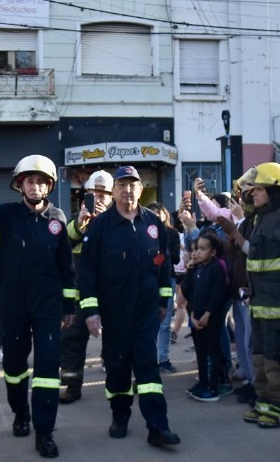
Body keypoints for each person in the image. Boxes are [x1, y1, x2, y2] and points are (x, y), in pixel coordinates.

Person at [0, 154, 76, 459]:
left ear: (49, 186)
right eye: (30, 180)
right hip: (13, 306)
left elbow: (67, 266)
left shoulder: (58, 219)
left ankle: (45, 433)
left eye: (41, 181)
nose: (35, 186)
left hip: (47, 307)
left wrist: (69, 305)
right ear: (20, 185)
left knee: (46, 371)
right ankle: (21, 414)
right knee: (15, 369)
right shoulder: (6, 214)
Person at [78, 165, 182, 448]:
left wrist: (163, 302)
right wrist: (91, 311)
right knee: (118, 368)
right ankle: (120, 415)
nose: (127, 190)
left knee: (148, 368)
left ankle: (158, 426)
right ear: (113, 191)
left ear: (140, 188)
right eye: (121, 185)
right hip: (114, 313)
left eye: (132, 185)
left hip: (146, 312)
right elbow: (86, 272)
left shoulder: (153, 223)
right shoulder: (100, 227)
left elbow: (163, 266)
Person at [221, 162, 280, 429]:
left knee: (278, 358)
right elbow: (253, 252)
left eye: (258, 189)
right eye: (251, 190)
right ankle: (265, 401)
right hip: (260, 302)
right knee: (261, 356)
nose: (252, 194)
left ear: (275, 191)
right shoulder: (262, 218)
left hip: (278, 302)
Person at [58, 169, 113, 403]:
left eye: (102, 194)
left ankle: (117, 384)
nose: (98, 199)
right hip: (81, 295)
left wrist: (102, 224)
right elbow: (63, 246)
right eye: (93, 194)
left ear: (111, 197)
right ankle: (72, 385)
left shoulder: (117, 221)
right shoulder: (75, 220)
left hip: (111, 296)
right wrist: (80, 226)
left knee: (116, 342)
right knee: (71, 340)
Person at [183, 230, 231, 402]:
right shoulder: (197, 269)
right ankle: (202, 383)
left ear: (213, 252)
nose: (197, 253)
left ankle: (213, 386)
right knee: (200, 352)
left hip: (211, 317)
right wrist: (194, 315)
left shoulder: (216, 268)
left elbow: (217, 294)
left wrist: (208, 314)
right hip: (197, 317)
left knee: (213, 351)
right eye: (196, 249)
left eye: (202, 249)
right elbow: (189, 292)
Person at [148, 202, 183, 374]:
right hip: (148, 281)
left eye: (158, 211)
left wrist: (161, 257)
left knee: (165, 322)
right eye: (151, 211)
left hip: (167, 279)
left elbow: (175, 259)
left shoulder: (172, 233)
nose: (155, 214)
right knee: (148, 322)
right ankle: (149, 358)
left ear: (165, 214)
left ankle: (163, 359)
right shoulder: (143, 231)